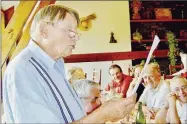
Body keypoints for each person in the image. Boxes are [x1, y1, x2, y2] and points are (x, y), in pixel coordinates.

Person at [3, 5, 136, 123]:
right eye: (70, 31)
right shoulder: (23, 69)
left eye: (76, 32)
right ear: (44, 30)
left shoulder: (56, 64)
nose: (76, 37)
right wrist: (103, 114)